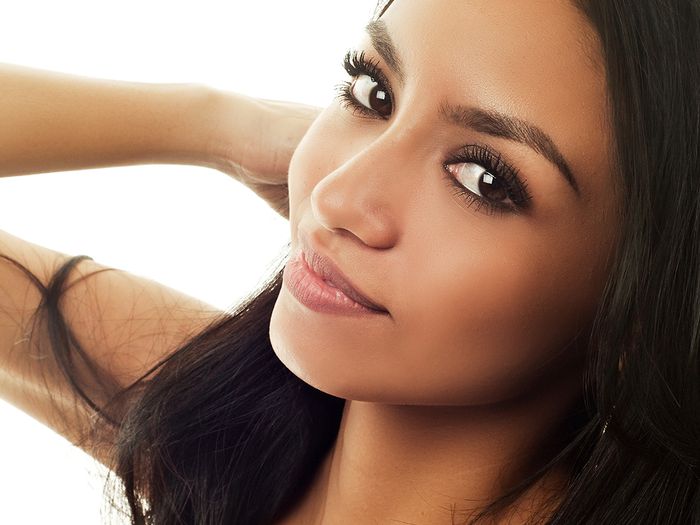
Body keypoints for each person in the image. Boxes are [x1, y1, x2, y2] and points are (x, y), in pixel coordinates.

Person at [0, 0, 698, 523]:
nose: (338, 196)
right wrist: (214, 123)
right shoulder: (226, 430)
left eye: (484, 178)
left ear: (642, 308)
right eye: (373, 91)